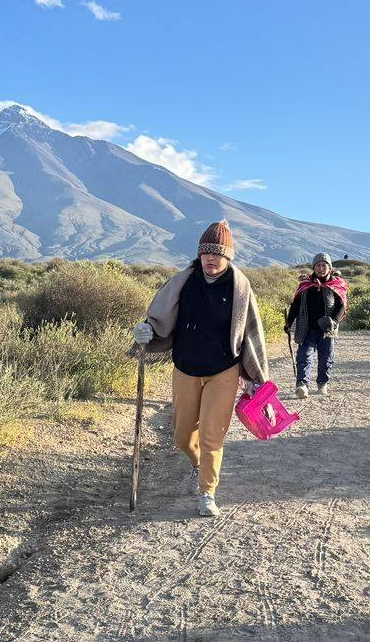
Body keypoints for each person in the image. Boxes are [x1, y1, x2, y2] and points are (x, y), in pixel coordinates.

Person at [132, 221, 269, 517]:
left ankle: (207, 492)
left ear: (228, 256)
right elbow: (158, 317)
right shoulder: (183, 281)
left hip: (224, 369)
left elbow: (252, 335)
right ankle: (197, 462)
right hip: (185, 367)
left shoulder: (240, 287)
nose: (210, 259)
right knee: (182, 436)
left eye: (217, 254)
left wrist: (259, 382)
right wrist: (146, 330)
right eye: (206, 253)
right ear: (199, 254)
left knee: (212, 435)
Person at [283, 251, 348, 398]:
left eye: (324, 265)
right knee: (304, 356)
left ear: (329, 268)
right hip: (307, 329)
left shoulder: (337, 285)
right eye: (318, 265)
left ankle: (322, 384)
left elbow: (342, 306)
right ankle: (302, 385)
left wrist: (334, 321)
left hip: (328, 330)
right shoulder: (305, 285)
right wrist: (289, 322)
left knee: (326, 358)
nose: (321, 268)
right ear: (314, 267)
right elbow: (295, 305)